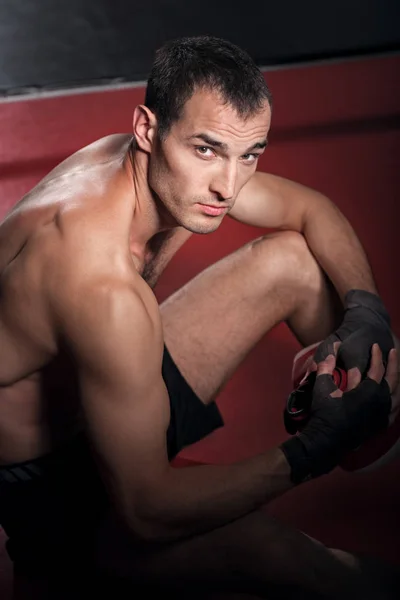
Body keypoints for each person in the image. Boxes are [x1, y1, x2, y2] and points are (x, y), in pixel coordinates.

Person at [0, 35, 399, 599]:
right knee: (295, 559)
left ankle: (376, 433)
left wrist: (368, 312)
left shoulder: (174, 173)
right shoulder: (97, 281)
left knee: (294, 261)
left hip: (116, 388)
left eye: (250, 154)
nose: (228, 186)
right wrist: (313, 450)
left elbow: (311, 209)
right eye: (207, 150)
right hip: (64, 493)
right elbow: (146, 510)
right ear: (147, 129)